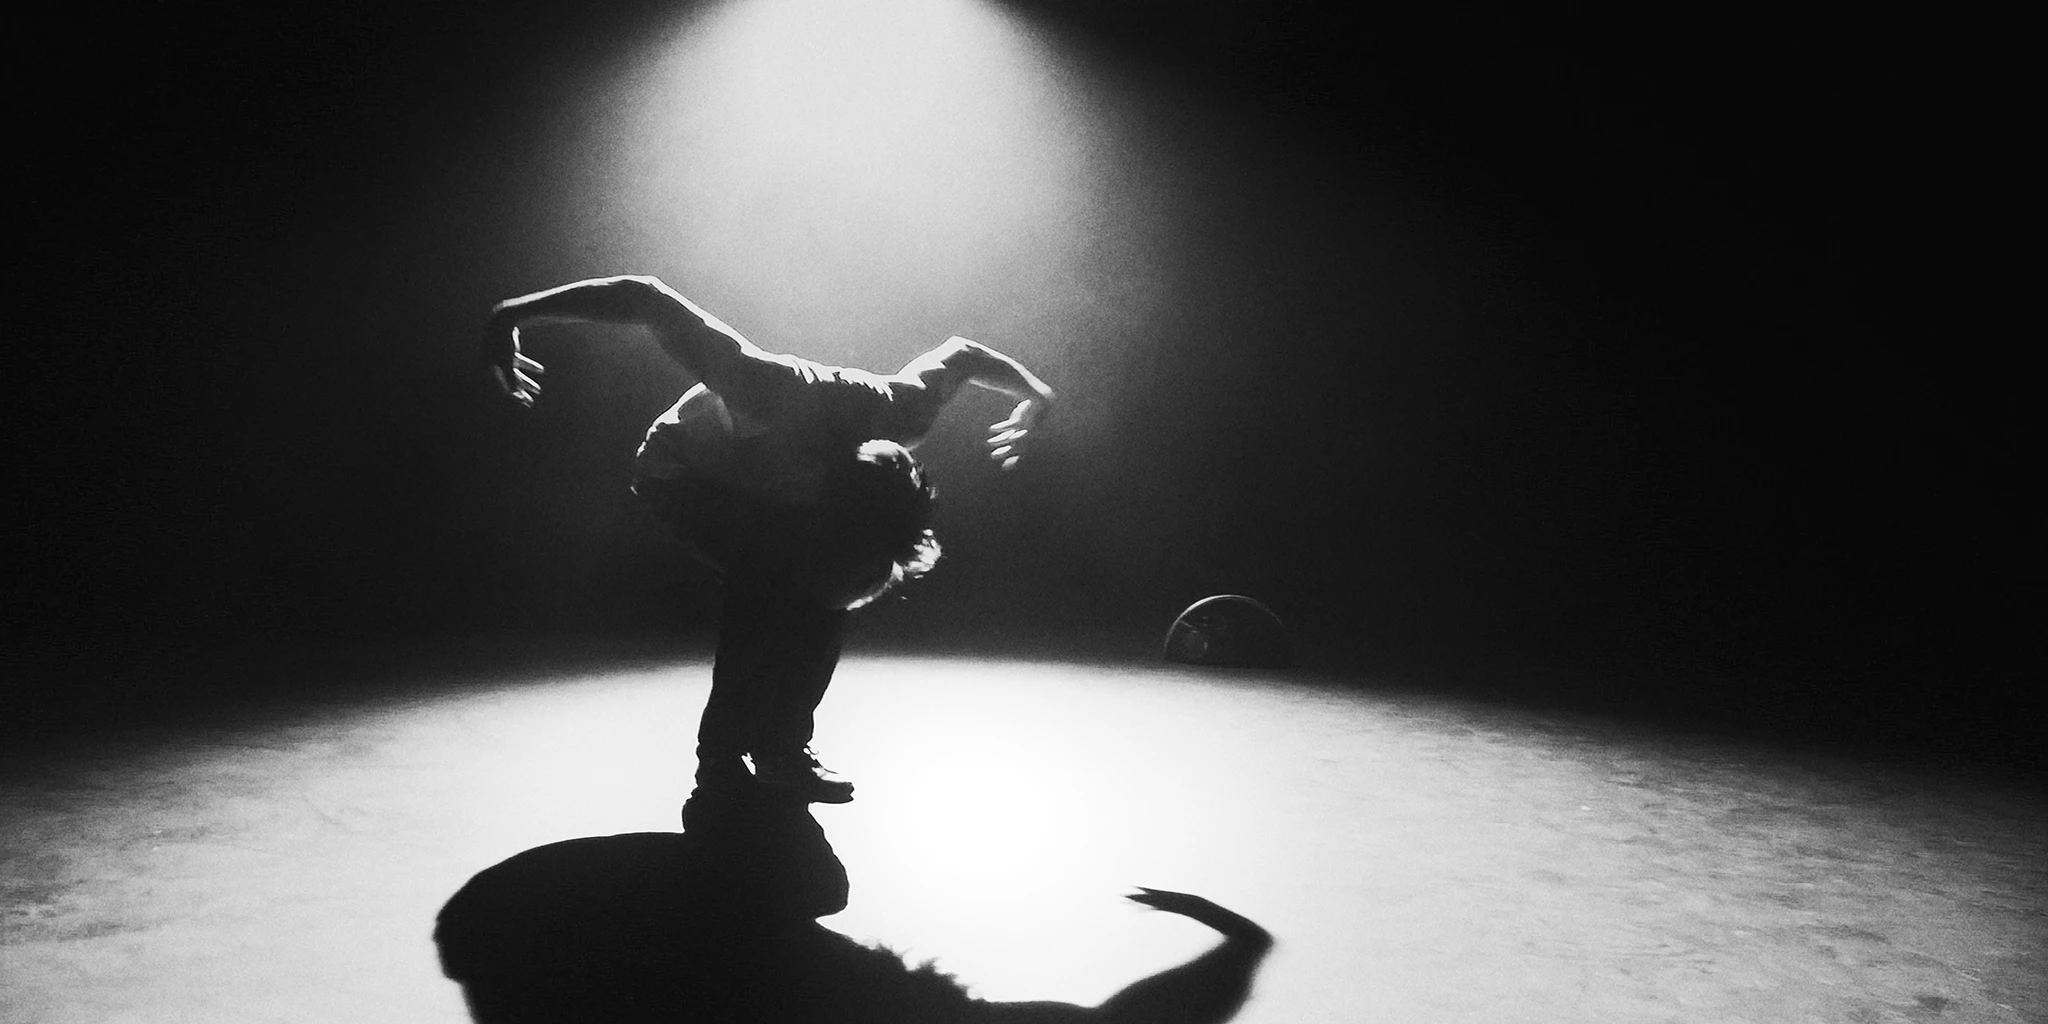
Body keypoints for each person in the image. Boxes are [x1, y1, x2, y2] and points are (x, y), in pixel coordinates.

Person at [482, 275, 1056, 803]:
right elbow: (645, 296)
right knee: (769, 579)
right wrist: (511, 315)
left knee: (816, 594)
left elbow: (963, 352)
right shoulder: (763, 387)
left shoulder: (906, 410)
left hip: (778, 492)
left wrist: (1038, 395)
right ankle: (722, 759)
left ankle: (783, 750)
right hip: (682, 474)